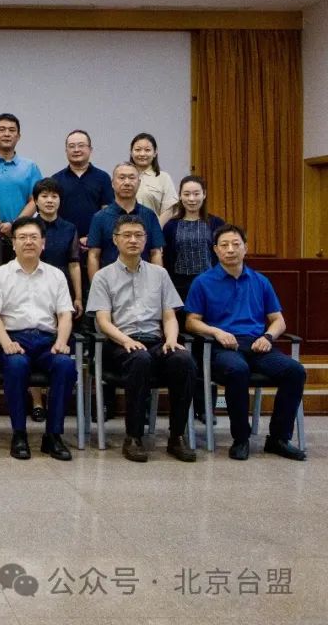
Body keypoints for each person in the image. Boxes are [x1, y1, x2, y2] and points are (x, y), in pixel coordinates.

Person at [184, 224, 307, 461]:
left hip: (257, 344)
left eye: (236, 244)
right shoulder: (203, 282)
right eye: (224, 245)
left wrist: (268, 337)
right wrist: (216, 332)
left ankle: (278, 438)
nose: (230, 249)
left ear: (245, 248)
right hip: (222, 346)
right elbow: (191, 322)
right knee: (238, 370)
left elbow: (278, 320)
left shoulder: (260, 281)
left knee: (295, 371)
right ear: (216, 250)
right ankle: (241, 439)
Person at [86, 214, 198, 463]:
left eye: (138, 235)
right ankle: (134, 437)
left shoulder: (160, 274)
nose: (133, 240)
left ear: (146, 240)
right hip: (118, 344)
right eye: (127, 235)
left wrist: (171, 339)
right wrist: (125, 340)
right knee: (139, 359)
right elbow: (103, 322)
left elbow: (169, 316)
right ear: (115, 240)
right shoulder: (103, 276)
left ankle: (177, 436)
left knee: (184, 360)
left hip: (155, 341)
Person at [0, 217, 76, 461]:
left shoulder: (56, 275)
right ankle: (19, 434)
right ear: (13, 244)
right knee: (16, 365)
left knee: (66, 365)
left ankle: (53, 435)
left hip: (47, 340)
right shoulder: (0, 274)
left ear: (43, 243)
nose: (28, 242)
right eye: (22, 238)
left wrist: (61, 341)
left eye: (34, 237)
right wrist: (6, 343)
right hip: (14, 338)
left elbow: (65, 314)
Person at [29, 177, 82, 422]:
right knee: (33, 341)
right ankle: (36, 401)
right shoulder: (28, 228)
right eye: (44, 196)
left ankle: (54, 399)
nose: (49, 201)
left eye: (54, 196)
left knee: (57, 346)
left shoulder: (69, 228)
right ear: (36, 200)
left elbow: (74, 263)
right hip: (32, 289)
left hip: (61, 290)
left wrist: (78, 296)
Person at [51, 129, 113, 312]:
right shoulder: (56, 179)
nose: (76, 150)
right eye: (71, 146)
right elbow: (53, 213)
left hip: (96, 247)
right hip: (65, 247)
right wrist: (71, 240)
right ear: (66, 150)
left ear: (90, 149)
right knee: (67, 297)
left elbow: (106, 212)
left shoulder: (102, 178)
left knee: (96, 295)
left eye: (81, 145)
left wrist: (91, 237)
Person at [0, 113, 43, 262]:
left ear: (18, 136)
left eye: (12, 130)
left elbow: (35, 200)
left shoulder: (30, 167)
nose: (7, 134)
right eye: (2, 129)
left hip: (19, 237)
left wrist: (15, 224)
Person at [86, 162, 164, 281]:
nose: (127, 182)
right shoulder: (100, 217)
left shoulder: (149, 215)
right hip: (110, 284)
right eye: (122, 178)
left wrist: (156, 284)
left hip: (144, 282)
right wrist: (96, 287)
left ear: (139, 182)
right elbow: (93, 255)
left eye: (132, 178)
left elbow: (155, 253)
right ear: (113, 183)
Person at [162, 175, 225, 301]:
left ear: (204, 194)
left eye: (196, 194)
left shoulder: (216, 223)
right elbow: (167, 259)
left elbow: (222, 256)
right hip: (178, 288)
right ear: (180, 196)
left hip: (211, 285)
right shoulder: (170, 226)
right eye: (186, 194)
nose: (191, 199)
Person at [130, 132, 179, 228]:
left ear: (155, 153)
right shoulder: (124, 176)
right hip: (125, 232)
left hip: (153, 230)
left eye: (147, 150)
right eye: (138, 150)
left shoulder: (163, 178)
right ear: (131, 152)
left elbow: (169, 209)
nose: (142, 154)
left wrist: (155, 229)